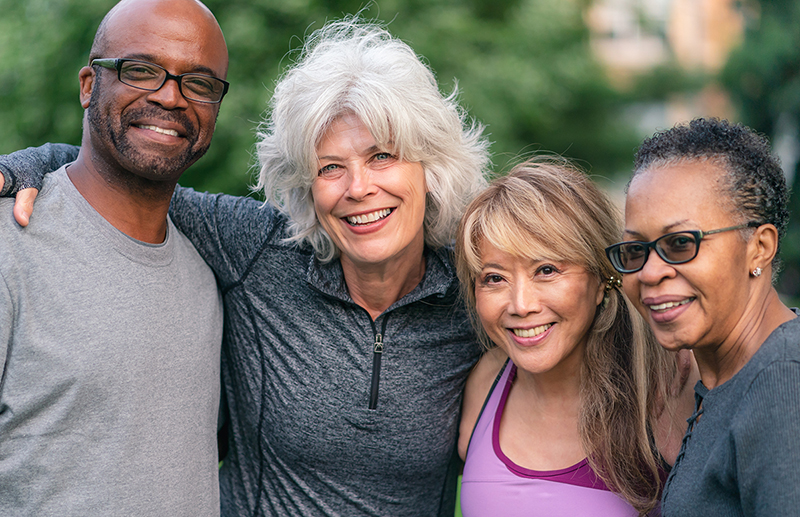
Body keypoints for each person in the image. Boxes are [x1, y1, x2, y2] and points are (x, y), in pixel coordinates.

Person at [0, 19, 491, 516]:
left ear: (431, 168)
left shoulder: (476, 294)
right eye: (330, 167)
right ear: (307, 185)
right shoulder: (259, 249)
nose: (358, 187)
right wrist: (24, 165)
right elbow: (126, 166)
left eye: (382, 156)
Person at [0, 0, 227, 515]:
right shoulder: (11, 247)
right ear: (87, 85)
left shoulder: (210, 274)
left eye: (200, 83)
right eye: (141, 71)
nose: (171, 97)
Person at [454, 159, 697, 516]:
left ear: (601, 279)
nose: (521, 305)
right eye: (494, 278)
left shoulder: (669, 382)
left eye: (547, 270)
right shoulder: (485, 381)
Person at [605, 117, 800, 515]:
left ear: (759, 247)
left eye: (680, 243)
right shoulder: (725, 380)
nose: (649, 272)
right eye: (635, 250)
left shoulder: (784, 382)